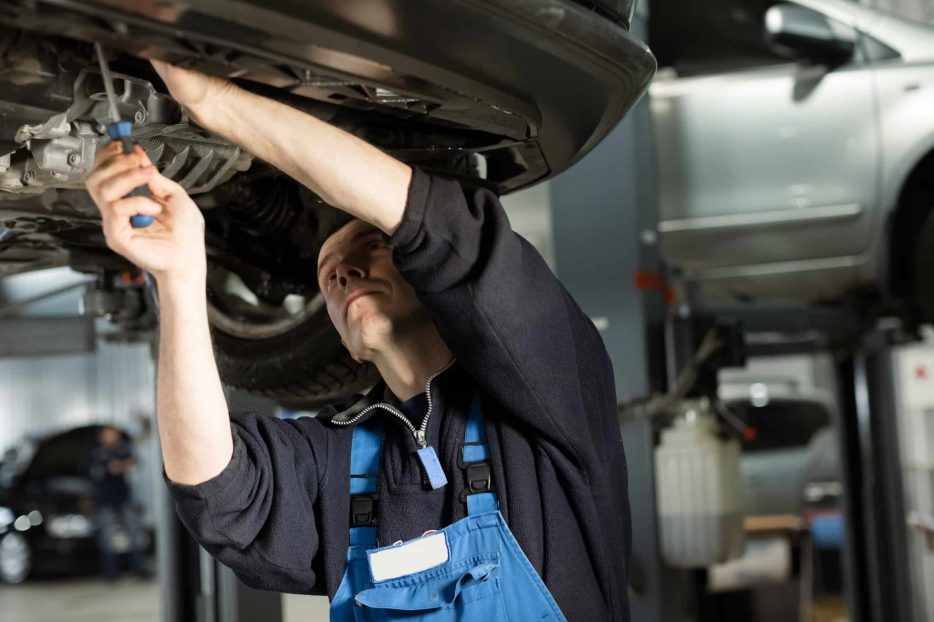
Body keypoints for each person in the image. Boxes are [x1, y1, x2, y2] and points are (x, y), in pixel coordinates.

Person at [85, 60, 632, 620]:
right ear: (344, 344)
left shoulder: (551, 399)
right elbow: (218, 491)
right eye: (328, 274)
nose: (342, 273)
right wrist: (179, 278)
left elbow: (449, 232)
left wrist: (216, 102)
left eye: (370, 248)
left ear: (428, 274)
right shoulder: (341, 458)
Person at [87, 426, 144, 580]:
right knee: (107, 537)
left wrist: (119, 465)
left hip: (124, 497)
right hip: (105, 500)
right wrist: (120, 465)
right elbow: (108, 469)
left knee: (134, 533)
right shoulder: (95, 453)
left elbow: (134, 462)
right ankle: (110, 573)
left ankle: (138, 570)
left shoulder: (122, 449)